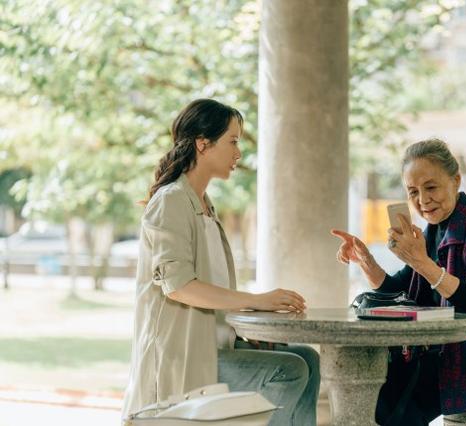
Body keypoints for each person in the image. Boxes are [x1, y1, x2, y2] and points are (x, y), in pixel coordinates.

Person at [122, 99, 320, 425]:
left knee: (306, 357)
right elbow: (180, 286)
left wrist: (246, 323)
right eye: (232, 141)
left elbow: (213, 294)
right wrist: (256, 300)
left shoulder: (205, 208)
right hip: (184, 358)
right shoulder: (171, 201)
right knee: (289, 369)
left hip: (216, 346)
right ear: (203, 143)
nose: (238, 152)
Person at [331, 139, 466, 425]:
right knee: (380, 405)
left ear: (456, 180)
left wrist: (422, 262)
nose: (423, 200)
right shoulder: (433, 231)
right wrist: (366, 261)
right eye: (413, 191)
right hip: (445, 359)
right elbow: (401, 290)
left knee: (395, 412)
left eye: (431, 187)